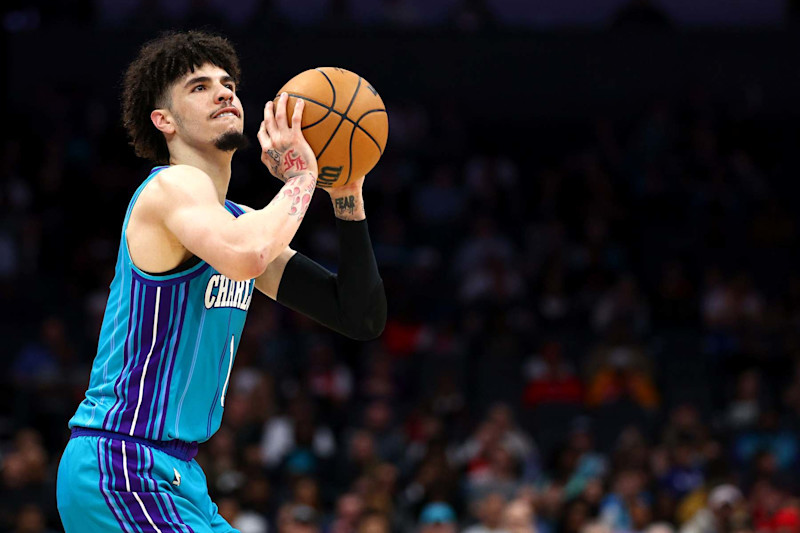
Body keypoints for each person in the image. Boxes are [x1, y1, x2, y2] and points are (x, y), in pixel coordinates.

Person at [56, 30, 386, 533]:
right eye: (199, 86)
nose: (224, 92)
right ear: (163, 120)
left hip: (177, 474)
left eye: (228, 83)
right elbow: (248, 254)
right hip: (121, 462)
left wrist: (347, 193)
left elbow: (358, 316)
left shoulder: (234, 221)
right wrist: (301, 179)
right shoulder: (171, 187)